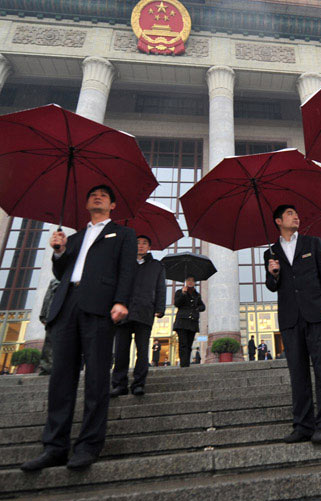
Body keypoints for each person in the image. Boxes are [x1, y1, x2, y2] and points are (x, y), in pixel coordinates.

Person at [21, 184, 136, 472]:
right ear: (86, 205)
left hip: (99, 307)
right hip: (67, 305)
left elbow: (127, 270)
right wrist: (59, 251)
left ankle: (88, 446)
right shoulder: (74, 237)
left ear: (112, 206)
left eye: (104, 196)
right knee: (60, 379)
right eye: (92, 195)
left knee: (97, 379)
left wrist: (121, 300)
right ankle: (54, 446)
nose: (97, 197)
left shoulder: (123, 234)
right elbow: (61, 272)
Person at [264, 204, 321, 444]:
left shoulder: (313, 242)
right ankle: (303, 425)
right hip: (290, 318)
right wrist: (273, 274)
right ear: (278, 221)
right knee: (298, 374)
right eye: (289, 214)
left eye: (297, 213)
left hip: (317, 314)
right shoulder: (271, 252)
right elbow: (272, 286)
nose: (296, 216)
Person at [111, 235, 166, 397]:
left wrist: (160, 308)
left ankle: (138, 384)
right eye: (137, 243)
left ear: (149, 247)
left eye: (144, 243)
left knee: (142, 351)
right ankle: (119, 384)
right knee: (121, 351)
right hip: (124, 312)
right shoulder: (124, 264)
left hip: (144, 312)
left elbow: (161, 288)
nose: (140, 246)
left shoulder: (157, 266)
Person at [173, 277, 204, 368]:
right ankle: (184, 364)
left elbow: (203, 306)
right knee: (183, 343)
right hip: (182, 321)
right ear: (185, 282)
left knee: (189, 344)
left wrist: (197, 308)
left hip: (192, 322)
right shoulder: (180, 292)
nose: (190, 282)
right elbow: (177, 303)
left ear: (194, 283)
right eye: (188, 280)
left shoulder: (197, 295)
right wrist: (183, 293)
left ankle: (187, 363)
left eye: (192, 281)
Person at [37, 277, 60, 376]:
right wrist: (43, 315)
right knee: (49, 341)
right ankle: (46, 366)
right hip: (52, 313)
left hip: (65, 313)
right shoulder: (54, 281)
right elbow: (47, 298)